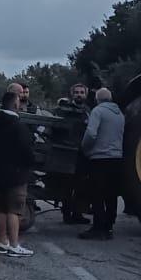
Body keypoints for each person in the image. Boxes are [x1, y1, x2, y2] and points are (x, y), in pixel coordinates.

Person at [0, 88, 36, 257]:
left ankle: (3, 242)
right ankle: (15, 245)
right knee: (14, 210)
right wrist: (30, 164)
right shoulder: (19, 126)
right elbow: (27, 152)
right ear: (15, 103)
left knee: (1, 207)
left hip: (0, 170)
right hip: (17, 173)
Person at [78, 87, 125, 240]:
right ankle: (108, 226)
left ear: (97, 99)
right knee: (111, 194)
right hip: (116, 158)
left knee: (97, 194)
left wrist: (85, 148)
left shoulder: (98, 111)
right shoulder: (120, 115)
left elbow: (91, 133)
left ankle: (98, 227)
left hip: (99, 158)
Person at [60, 82, 94, 224]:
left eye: (82, 92)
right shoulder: (64, 108)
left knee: (81, 184)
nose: (79, 95)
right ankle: (67, 213)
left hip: (82, 152)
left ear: (85, 95)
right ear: (72, 94)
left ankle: (78, 213)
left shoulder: (88, 110)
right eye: (77, 92)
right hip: (67, 150)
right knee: (66, 184)